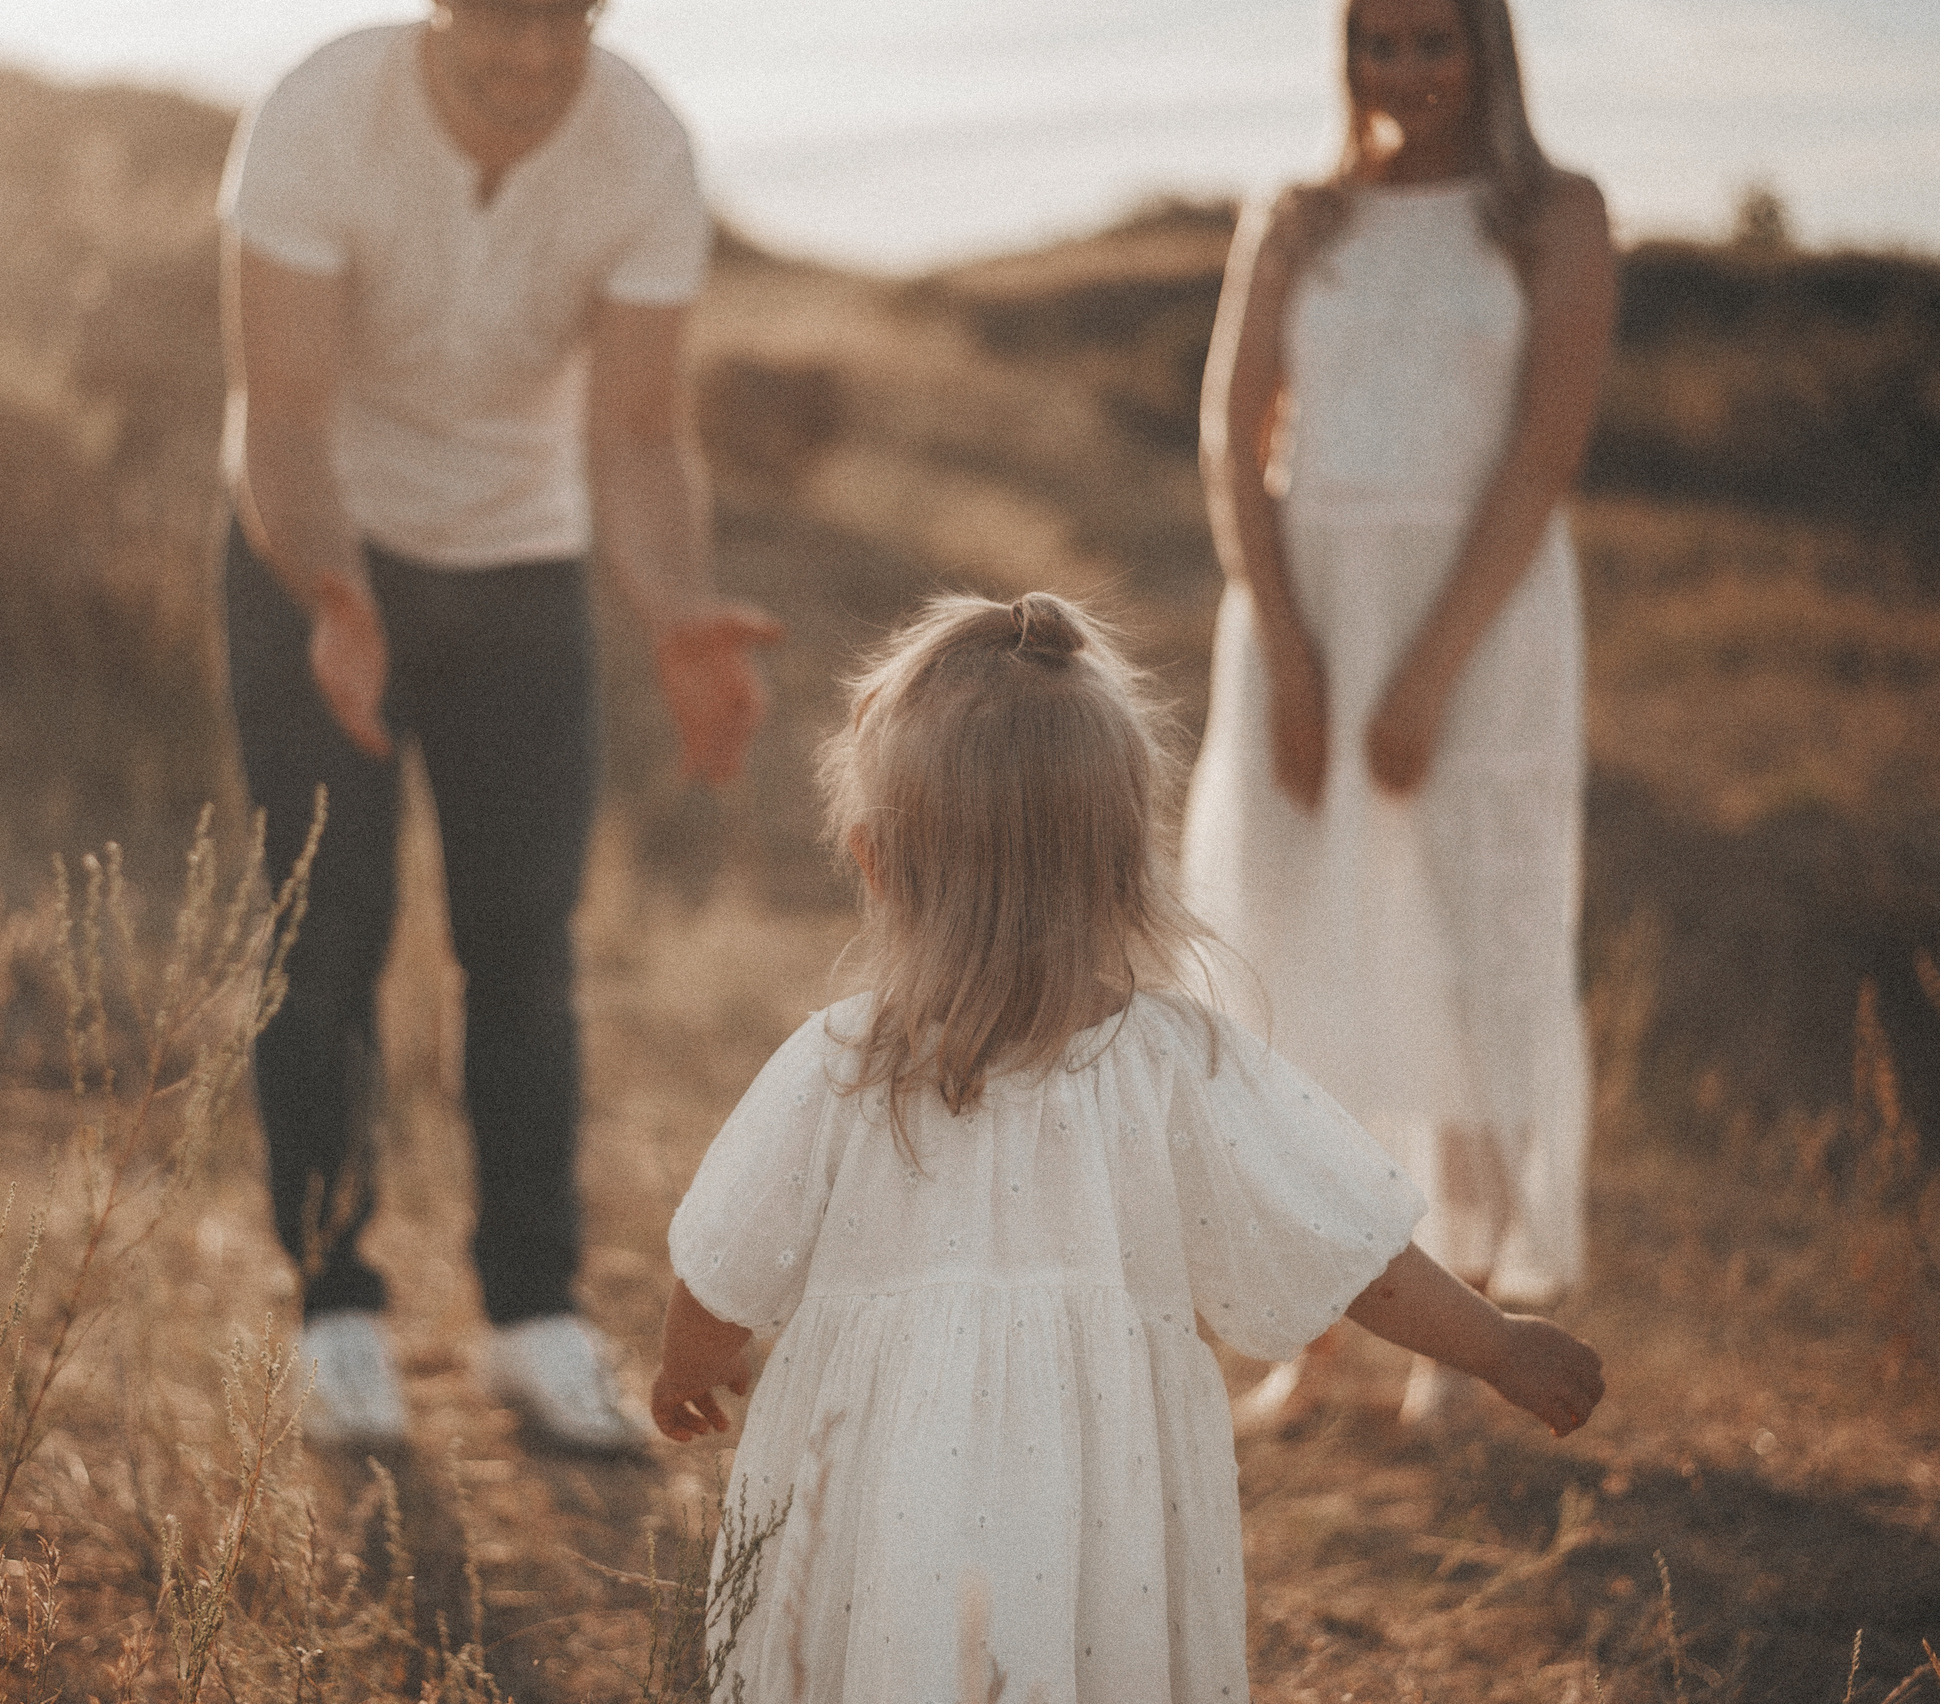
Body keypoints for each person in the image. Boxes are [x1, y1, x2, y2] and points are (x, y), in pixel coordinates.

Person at [648, 593, 1605, 1700]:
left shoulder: (841, 1063)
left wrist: (688, 1366)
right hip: (1094, 1495)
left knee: (890, 1655)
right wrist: (1490, 1343)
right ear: (1124, 869)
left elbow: (722, 1264)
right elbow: (1351, 1249)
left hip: (880, 1482)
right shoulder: (1178, 1065)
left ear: (872, 862)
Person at [218, 0, 782, 1452]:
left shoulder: (645, 146)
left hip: (524, 563)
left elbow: (640, 437)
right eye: (497, 32)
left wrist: (676, 614)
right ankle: (335, 1310)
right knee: (327, 932)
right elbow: (279, 409)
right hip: (322, 550)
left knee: (522, 944)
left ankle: (531, 1317)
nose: (532, 65)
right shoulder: (318, 116)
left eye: (564, 29)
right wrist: (335, 600)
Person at [1180, 0, 1617, 1428]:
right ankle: (1307, 1318)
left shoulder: (1554, 216)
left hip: (1480, 616)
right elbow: (1233, 442)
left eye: (1436, 41)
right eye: (1381, 41)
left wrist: (1427, 669)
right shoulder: (1298, 218)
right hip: (1306, 605)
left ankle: (1464, 1327)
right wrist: (1298, 661)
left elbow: (1544, 452)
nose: (1407, 69)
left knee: (1463, 940)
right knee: (1301, 950)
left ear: (1487, 50)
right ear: (1347, 54)